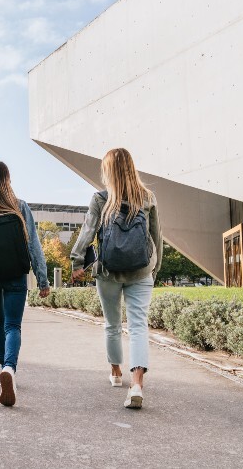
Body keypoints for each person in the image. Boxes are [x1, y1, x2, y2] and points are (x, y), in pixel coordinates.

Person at [71, 148, 162, 409]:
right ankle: (137, 384)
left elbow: (88, 231)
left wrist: (78, 261)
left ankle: (116, 373)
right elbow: (156, 236)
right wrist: (154, 269)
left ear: (107, 171)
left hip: (108, 272)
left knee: (112, 324)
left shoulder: (100, 199)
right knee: (137, 326)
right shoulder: (148, 197)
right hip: (141, 271)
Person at [0, 161, 50, 407]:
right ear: (7, 180)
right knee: (13, 325)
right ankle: (9, 369)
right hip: (16, 275)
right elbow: (34, 245)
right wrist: (42, 279)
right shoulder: (19, 207)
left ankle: (5, 369)